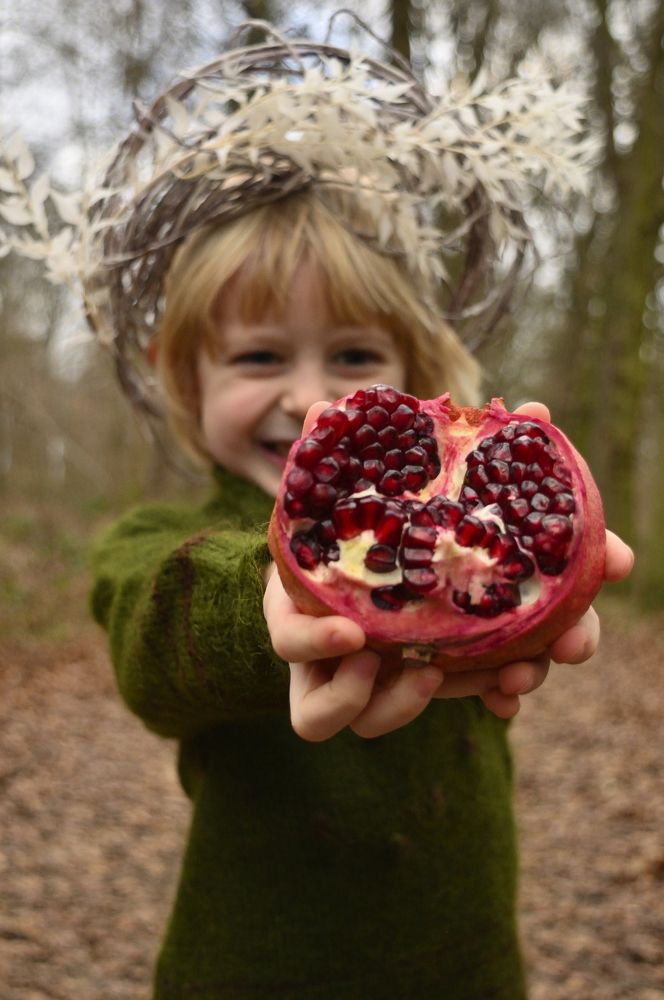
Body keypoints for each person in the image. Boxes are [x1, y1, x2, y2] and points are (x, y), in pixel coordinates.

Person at [1, 22, 633, 999]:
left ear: (416, 380)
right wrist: (272, 601)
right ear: (187, 381)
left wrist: (532, 559)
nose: (313, 402)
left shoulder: (459, 499)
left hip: (466, 969)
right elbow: (147, 634)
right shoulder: (158, 546)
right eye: (259, 358)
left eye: (352, 358)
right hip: (244, 971)